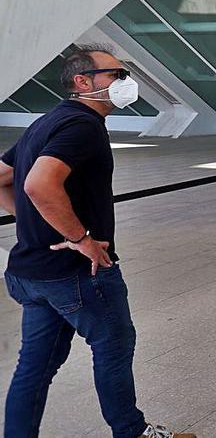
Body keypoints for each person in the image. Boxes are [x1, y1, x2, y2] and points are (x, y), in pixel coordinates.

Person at [0, 46, 195, 438]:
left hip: (33, 272)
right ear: (83, 82)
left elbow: (3, 177)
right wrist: (81, 238)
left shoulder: (47, 121)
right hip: (76, 274)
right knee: (114, 349)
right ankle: (132, 432)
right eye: (116, 75)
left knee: (34, 368)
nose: (125, 82)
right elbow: (38, 184)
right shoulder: (82, 125)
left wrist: (40, 225)